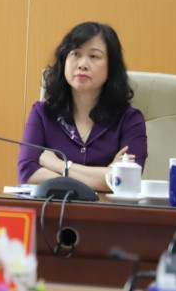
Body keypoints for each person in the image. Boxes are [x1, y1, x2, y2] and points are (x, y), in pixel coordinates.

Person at [17, 21, 147, 192]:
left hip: (107, 210)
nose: (82, 64)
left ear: (111, 66)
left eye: (94, 56)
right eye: (75, 54)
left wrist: (60, 165)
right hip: (52, 208)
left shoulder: (130, 119)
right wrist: (106, 174)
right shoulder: (42, 113)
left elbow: (127, 180)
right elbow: (27, 174)